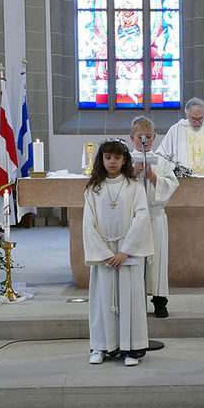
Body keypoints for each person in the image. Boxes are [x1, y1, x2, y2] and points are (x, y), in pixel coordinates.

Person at [83, 138, 155, 366]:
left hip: (127, 251)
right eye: (107, 157)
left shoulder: (134, 187)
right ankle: (101, 346)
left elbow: (142, 217)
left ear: (124, 160)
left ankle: (130, 349)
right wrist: (105, 253)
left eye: (116, 157)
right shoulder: (93, 188)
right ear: (101, 160)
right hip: (104, 253)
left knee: (130, 299)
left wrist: (125, 251)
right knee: (103, 300)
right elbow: (88, 224)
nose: (112, 162)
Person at [131, 116, 179, 318]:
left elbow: (172, 184)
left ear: (155, 137)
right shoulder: (125, 160)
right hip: (133, 220)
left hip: (155, 217)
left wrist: (152, 176)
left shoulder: (163, 161)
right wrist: (134, 173)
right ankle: (135, 301)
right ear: (132, 137)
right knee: (136, 259)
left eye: (149, 136)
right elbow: (120, 186)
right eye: (140, 136)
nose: (145, 140)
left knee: (157, 260)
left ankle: (160, 301)